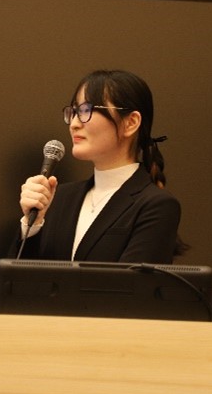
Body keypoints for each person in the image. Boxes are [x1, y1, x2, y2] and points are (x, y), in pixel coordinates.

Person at [10, 69, 182, 264]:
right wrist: (31, 225)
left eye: (85, 111)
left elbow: (133, 282)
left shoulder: (156, 205)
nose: (74, 124)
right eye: (73, 112)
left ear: (131, 123)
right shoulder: (59, 198)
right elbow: (17, 278)